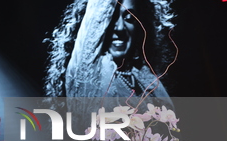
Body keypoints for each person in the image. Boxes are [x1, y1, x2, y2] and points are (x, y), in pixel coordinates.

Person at [44, 0, 176, 101]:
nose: (119, 28)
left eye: (129, 18)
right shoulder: (87, 75)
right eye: (110, 18)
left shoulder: (147, 80)